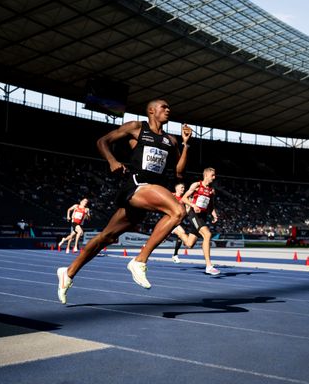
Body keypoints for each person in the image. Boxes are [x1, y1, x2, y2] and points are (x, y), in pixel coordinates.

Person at [56, 99, 192, 304]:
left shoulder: (170, 140)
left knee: (106, 238)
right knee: (178, 211)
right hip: (137, 187)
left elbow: (180, 173)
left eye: (169, 106)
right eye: (164, 107)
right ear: (151, 110)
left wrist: (185, 144)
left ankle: (68, 272)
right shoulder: (137, 127)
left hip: (151, 192)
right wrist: (112, 161)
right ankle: (140, 260)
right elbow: (102, 142)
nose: (168, 109)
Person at [182, 167, 220, 275]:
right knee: (207, 235)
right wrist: (193, 205)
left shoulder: (212, 190)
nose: (214, 177)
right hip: (194, 214)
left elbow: (211, 205)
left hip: (203, 216)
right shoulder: (196, 185)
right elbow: (184, 198)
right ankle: (208, 266)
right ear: (206, 175)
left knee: (189, 244)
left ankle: (180, 234)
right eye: (212, 175)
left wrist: (214, 214)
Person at [170, 182, 198, 263]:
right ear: (176, 188)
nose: (183, 189)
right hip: (169, 219)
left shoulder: (184, 199)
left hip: (177, 220)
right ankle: (146, 246)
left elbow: (187, 211)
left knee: (181, 233)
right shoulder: (171, 195)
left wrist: (190, 205)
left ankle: (175, 255)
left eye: (184, 187)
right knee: (160, 239)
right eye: (181, 187)